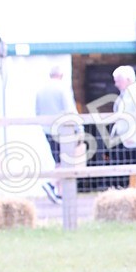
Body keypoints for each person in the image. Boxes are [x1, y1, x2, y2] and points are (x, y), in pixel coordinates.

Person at [35, 65, 81, 202]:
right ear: (61, 75)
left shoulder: (41, 90)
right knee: (65, 161)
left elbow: (37, 112)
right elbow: (70, 110)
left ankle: (61, 194)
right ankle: (52, 183)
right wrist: (79, 128)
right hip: (63, 131)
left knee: (58, 160)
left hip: (48, 130)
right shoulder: (63, 88)